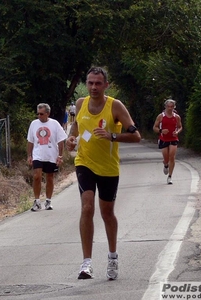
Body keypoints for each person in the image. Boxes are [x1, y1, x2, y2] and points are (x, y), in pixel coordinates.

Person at [65, 67, 141, 280]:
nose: (93, 87)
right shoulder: (81, 103)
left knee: (107, 213)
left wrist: (112, 136)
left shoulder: (115, 106)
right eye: (90, 83)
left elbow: (136, 136)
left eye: (98, 83)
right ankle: (86, 263)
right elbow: (76, 129)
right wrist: (71, 140)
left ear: (106, 85)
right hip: (84, 163)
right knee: (87, 207)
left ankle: (112, 256)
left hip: (108, 167)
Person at [27, 103, 68, 211]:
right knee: (37, 176)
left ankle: (48, 201)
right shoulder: (34, 124)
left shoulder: (54, 124)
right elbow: (30, 141)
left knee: (50, 178)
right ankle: (37, 201)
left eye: (41, 114)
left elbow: (60, 141)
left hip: (51, 155)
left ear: (47, 113)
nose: (39, 116)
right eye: (38, 114)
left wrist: (60, 155)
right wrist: (29, 155)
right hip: (38, 154)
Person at [153, 99, 183, 184]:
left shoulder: (177, 117)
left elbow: (180, 127)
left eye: (172, 107)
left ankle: (170, 177)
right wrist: (161, 131)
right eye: (168, 106)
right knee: (166, 158)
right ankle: (166, 164)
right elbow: (155, 127)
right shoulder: (161, 116)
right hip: (163, 139)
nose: (170, 108)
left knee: (172, 157)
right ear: (165, 107)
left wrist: (177, 132)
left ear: (174, 107)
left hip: (173, 139)